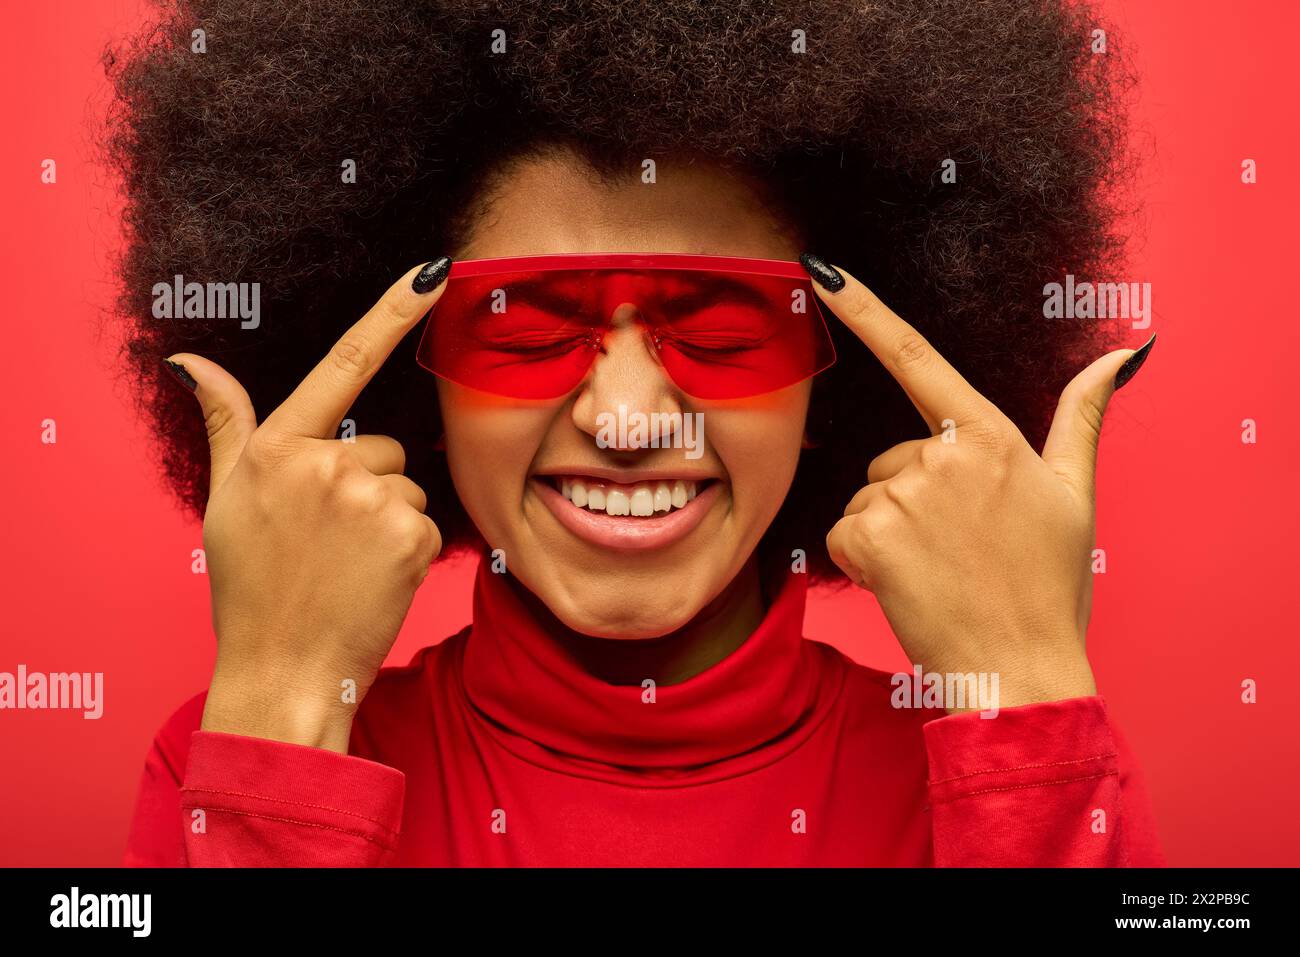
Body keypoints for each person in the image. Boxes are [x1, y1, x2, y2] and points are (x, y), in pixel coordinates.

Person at [113, 0, 1162, 866]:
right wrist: (286, 709)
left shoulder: (990, 772)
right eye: (521, 325)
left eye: (720, 324)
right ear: (407, 375)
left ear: (837, 378)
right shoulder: (233, 751)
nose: (623, 421)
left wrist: (1026, 714)